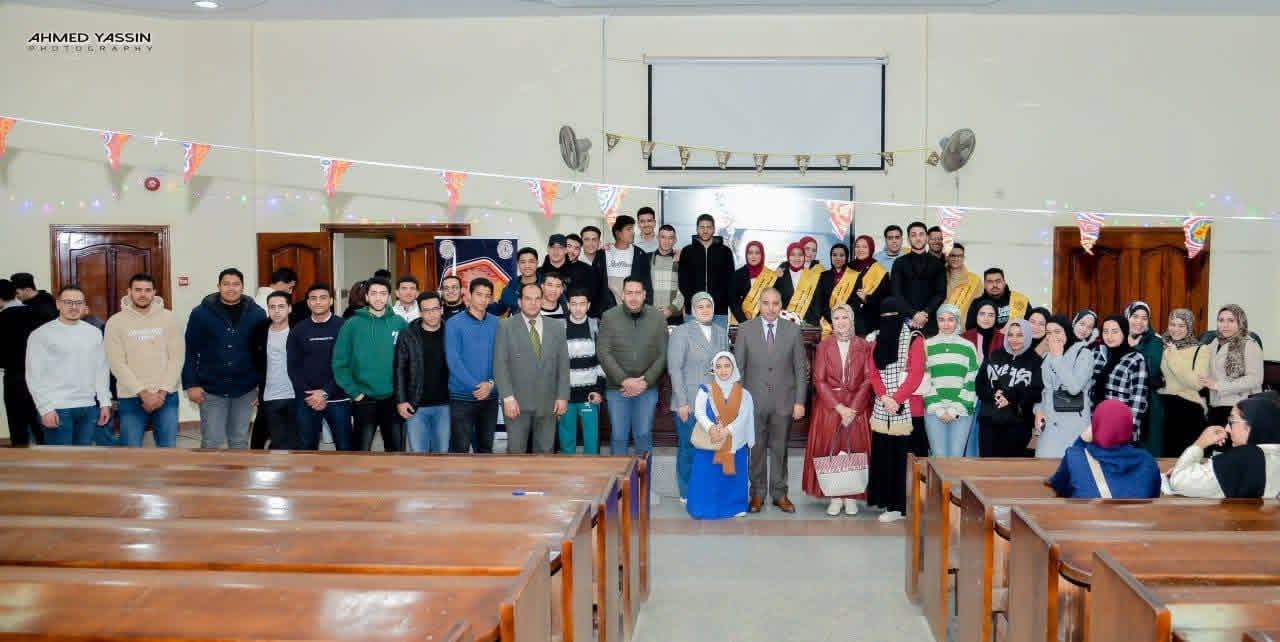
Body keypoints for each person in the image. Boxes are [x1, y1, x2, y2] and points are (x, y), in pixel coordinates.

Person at [734, 288, 808, 513]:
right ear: (759, 304)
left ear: (781, 305)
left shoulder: (793, 330)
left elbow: (800, 369)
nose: (770, 308)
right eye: (766, 303)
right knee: (755, 449)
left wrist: (800, 401)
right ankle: (757, 493)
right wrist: (739, 402)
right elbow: (739, 368)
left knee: (780, 449)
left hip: (784, 402)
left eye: (775, 303)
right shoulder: (745, 329)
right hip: (753, 402)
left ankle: (779, 493)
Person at [184, 268, 266, 449]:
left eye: (236, 284)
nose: (231, 288)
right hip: (211, 388)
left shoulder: (257, 314)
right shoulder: (200, 313)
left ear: (242, 287)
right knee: (211, 441)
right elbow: (190, 350)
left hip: (246, 388)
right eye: (226, 284)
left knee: (239, 440)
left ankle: (238, 470)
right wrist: (191, 384)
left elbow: (262, 353)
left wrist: (262, 385)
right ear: (218, 286)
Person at [803, 304, 873, 515]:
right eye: (836, 318)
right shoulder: (824, 346)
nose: (841, 322)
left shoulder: (863, 345)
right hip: (830, 407)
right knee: (831, 450)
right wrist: (840, 408)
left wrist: (853, 408)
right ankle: (835, 496)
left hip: (856, 407)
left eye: (845, 317)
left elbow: (868, 378)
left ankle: (851, 496)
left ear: (852, 320)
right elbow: (819, 380)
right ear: (832, 322)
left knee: (855, 450)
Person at [25, 285, 113, 446]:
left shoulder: (94, 333)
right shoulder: (41, 334)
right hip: (57, 408)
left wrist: (105, 402)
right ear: (58, 304)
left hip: (88, 407)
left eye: (78, 303)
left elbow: (101, 370)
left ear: (84, 305)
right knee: (60, 459)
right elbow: (34, 376)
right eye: (68, 302)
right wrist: (45, 408)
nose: (74, 307)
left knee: (83, 459)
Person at [103, 273, 182, 448]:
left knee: (168, 449)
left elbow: (176, 359)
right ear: (129, 292)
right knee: (131, 450)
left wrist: (161, 393)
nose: (143, 294)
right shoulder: (115, 322)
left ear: (154, 292)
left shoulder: (170, 318)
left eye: (147, 290)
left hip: (166, 397)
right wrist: (143, 393)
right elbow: (116, 363)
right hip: (131, 396)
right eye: (138, 290)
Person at [866, 297, 927, 522]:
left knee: (904, 460)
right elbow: (873, 372)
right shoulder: (877, 340)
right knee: (885, 458)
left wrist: (897, 399)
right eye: (884, 317)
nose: (888, 320)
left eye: (892, 317)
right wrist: (884, 397)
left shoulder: (914, 339)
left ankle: (902, 506)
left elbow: (916, 374)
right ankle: (887, 502)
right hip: (883, 409)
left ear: (902, 318)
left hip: (909, 410)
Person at [667, 292, 731, 502]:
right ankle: (686, 492)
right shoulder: (681, 332)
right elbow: (675, 369)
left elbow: (726, 368)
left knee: (711, 448)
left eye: (708, 306)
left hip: (715, 403)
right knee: (688, 448)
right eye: (700, 306)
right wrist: (682, 403)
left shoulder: (721, 333)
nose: (705, 310)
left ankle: (707, 489)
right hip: (689, 402)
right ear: (693, 310)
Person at [332, 276, 408, 452]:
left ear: (389, 297)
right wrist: (355, 393)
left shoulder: (399, 323)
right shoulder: (352, 325)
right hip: (364, 399)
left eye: (383, 293)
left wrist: (403, 394)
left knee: (396, 453)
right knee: (361, 454)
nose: (378, 298)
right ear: (366, 297)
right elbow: (339, 362)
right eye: (373, 293)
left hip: (393, 400)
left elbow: (410, 361)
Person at [494, 282, 570, 454]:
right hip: (516, 404)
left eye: (537, 298)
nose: (533, 303)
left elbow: (563, 365)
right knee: (516, 453)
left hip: (548, 403)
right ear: (520, 302)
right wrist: (507, 398)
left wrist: (562, 396)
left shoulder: (556, 327)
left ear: (542, 300)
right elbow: (500, 365)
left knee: (545, 453)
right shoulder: (505, 326)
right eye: (528, 299)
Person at [597, 277, 668, 455]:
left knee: (643, 434)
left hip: (647, 387)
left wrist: (646, 381)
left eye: (638, 293)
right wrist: (624, 380)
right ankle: (619, 474)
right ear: (622, 295)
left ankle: (643, 474)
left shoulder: (657, 318)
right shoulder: (609, 317)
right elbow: (604, 352)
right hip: (617, 388)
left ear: (644, 295)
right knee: (619, 436)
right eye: (629, 293)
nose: (633, 297)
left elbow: (664, 353)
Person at [1167, 397, 1280, 498]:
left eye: (1232, 421)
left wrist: (1200, 443)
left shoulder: (1245, 458)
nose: (1227, 429)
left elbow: (1178, 481)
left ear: (1252, 424)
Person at [687, 352, 755, 520]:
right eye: (718, 366)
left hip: (734, 442)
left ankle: (735, 506)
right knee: (707, 478)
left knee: (734, 477)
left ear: (733, 367)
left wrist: (727, 431)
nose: (723, 370)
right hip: (710, 442)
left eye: (727, 366)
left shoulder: (744, 394)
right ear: (713, 369)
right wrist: (711, 428)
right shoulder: (705, 390)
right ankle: (703, 507)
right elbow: (699, 413)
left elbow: (744, 417)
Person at [1047, 400, 1160, 499]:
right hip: (1136, 517)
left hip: (1087, 517)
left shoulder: (1075, 456)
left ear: (1096, 425)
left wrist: (1081, 441)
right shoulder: (1148, 461)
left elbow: (1059, 485)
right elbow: (1153, 496)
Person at [287, 283, 352, 451]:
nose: (318, 302)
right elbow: (293, 367)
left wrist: (325, 392)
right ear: (308, 303)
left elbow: (348, 365)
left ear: (331, 301)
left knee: (345, 448)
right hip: (307, 399)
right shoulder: (298, 330)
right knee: (306, 448)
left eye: (323, 298)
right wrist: (310, 394)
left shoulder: (345, 327)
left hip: (338, 397)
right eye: (313, 298)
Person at [391, 292, 451, 453]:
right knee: (418, 456)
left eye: (435, 309)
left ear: (441, 309)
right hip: (415, 405)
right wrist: (401, 401)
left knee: (443, 454)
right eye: (426, 310)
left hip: (445, 405)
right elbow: (399, 369)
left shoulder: (450, 332)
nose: (431, 314)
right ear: (420, 312)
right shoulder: (408, 334)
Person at [445, 278, 500, 453]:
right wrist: (477, 386)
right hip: (462, 397)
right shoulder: (453, 323)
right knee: (459, 450)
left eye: (487, 296)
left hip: (490, 397)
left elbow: (502, 359)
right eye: (479, 294)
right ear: (469, 295)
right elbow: (453, 360)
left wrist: (490, 385)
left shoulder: (498, 323)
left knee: (485, 449)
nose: (483, 300)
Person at [976, 319, 1044, 457]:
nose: (1014, 339)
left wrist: (1011, 397)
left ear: (1027, 336)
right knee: (987, 466)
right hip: (989, 422)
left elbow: (1037, 392)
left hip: (1017, 425)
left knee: (1010, 466)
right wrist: (994, 394)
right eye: (1011, 335)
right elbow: (980, 384)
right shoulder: (995, 355)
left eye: (1020, 335)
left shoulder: (1035, 361)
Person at [1033, 315, 1094, 458]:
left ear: (1067, 331)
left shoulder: (1084, 354)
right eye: (1048, 333)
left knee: (1072, 465)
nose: (1053, 336)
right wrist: (1038, 410)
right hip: (1049, 425)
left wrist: (1058, 358)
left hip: (1074, 425)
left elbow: (1074, 388)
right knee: (1044, 465)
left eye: (1057, 331)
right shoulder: (1049, 356)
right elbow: (1046, 389)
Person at [923, 304, 979, 458]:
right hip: (934, 411)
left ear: (957, 321)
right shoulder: (926, 345)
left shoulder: (968, 347)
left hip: (961, 410)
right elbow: (924, 379)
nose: (946, 324)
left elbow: (972, 380)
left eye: (950, 319)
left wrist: (955, 409)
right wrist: (939, 409)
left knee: (956, 457)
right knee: (938, 457)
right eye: (941, 320)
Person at [1201, 304, 1263, 429]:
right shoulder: (1214, 343)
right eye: (1221, 320)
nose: (1225, 325)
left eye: (1231, 320)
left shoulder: (1249, 344)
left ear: (1240, 322)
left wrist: (1218, 385)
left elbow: (1255, 379)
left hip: (1240, 408)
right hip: (1215, 405)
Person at [559, 288, 605, 454]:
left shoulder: (596, 326)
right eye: (574, 304)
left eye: (582, 304)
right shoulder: (559, 327)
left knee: (591, 442)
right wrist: (558, 394)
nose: (578, 308)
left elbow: (602, 362)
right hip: (566, 395)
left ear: (588, 305)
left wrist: (598, 390)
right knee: (566, 442)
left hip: (589, 395)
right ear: (568, 306)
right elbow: (555, 364)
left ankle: (592, 471)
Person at [1159, 308, 1209, 457]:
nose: (1176, 329)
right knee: (1162, 458)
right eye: (1172, 324)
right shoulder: (1161, 345)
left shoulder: (1201, 349)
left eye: (1181, 325)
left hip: (1187, 409)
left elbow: (1197, 384)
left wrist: (1174, 356)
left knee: (1182, 458)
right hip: (1162, 406)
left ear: (1190, 327)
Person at [0, 279, 44, 446]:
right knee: (38, 418)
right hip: (38, 374)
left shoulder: (2, 318)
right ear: (15, 294)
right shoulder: (36, 313)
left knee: (17, 420)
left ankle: (20, 453)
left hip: (14, 376)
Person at [250, 291, 297, 449]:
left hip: (295, 395)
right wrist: (258, 388)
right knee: (277, 444)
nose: (276, 311)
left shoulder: (299, 330)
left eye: (281, 306)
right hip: (271, 396)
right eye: (272, 307)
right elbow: (255, 362)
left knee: (295, 444)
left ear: (289, 308)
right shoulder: (260, 331)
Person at [1092, 315, 1148, 437]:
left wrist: (1128, 432)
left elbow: (1138, 400)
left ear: (1124, 332)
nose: (1109, 336)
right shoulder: (1097, 353)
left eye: (1115, 331)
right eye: (1105, 331)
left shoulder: (1135, 359)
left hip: (1120, 427)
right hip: (1094, 424)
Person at [677, 214, 735, 329]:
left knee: (718, 341)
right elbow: (683, 282)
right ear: (697, 229)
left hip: (719, 311)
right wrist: (695, 301)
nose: (705, 230)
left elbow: (731, 281)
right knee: (693, 341)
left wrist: (719, 300)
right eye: (702, 227)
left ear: (713, 229)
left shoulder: (725, 251)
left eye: (708, 227)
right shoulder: (687, 251)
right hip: (693, 310)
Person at [890, 221, 947, 335]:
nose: (918, 238)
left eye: (921, 234)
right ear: (908, 239)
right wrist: (913, 314)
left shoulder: (937, 264)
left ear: (926, 237)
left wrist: (925, 312)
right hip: (905, 321)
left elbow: (941, 293)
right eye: (913, 235)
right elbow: (896, 293)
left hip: (930, 321)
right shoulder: (899, 263)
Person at [1124, 301, 1165, 454]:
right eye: (1135, 316)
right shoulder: (1118, 336)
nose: (1139, 322)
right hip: (1122, 400)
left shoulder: (1155, 341)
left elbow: (1150, 370)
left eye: (1144, 318)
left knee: (1149, 451)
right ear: (1127, 317)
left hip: (1149, 403)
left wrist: (1134, 348)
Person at [598, 215, 653, 312]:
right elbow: (598, 285)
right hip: (609, 311)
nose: (633, 232)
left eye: (632, 229)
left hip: (634, 311)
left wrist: (646, 310)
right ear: (618, 233)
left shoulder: (640, 254)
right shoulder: (604, 254)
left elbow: (647, 285)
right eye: (628, 229)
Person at [727, 240, 776, 325]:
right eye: (750, 253)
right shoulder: (737, 275)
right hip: (741, 323)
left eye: (757, 253)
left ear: (762, 255)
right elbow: (733, 302)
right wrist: (745, 323)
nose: (753, 256)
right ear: (746, 255)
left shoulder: (770, 276)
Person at [849, 235, 889, 337]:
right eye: (857, 246)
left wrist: (867, 298)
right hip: (847, 321)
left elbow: (884, 300)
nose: (860, 249)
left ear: (871, 248)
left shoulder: (880, 271)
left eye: (864, 247)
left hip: (869, 324)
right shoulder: (848, 267)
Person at [775, 241, 822, 323]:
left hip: (807, 325)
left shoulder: (812, 276)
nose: (797, 258)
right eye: (793, 254)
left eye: (800, 254)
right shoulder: (779, 276)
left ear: (804, 257)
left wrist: (810, 323)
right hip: (784, 324)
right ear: (788, 256)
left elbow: (817, 304)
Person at [814, 243, 856, 333]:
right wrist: (832, 318)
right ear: (831, 257)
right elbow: (820, 301)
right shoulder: (824, 276)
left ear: (846, 257)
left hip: (848, 322)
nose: (838, 258)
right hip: (828, 322)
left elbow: (855, 301)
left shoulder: (854, 276)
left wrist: (843, 318)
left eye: (842, 255)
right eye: (834, 255)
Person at [491, 247, 542, 317]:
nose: (527, 266)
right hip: (517, 323)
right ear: (518, 264)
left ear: (537, 263)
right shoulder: (511, 286)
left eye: (531, 261)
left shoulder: (548, 284)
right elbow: (500, 308)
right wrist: (485, 303)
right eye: (523, 262)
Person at [650, 224, 684, 325]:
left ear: (675, 240)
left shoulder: (681, 261)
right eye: (663, 237)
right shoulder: (647, 259)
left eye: (670, 238)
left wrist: (670, 309)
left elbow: (685, 289)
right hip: (651, 315)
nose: (666, 241)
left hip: (674, 315)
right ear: (657, 238)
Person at [538, 233, 592, 299]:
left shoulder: (585, 271)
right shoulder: (539, 272)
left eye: (560, 247)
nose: (571, 251)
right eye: (569, 246)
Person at [944, 243, 982, 320]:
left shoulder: (975, 280)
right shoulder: (939, 277)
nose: (956, 259)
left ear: (963, 258)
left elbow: (980, 306)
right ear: (947, 257)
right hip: (939, 324)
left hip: (963, 325)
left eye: (959, 256)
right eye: (953, 255)